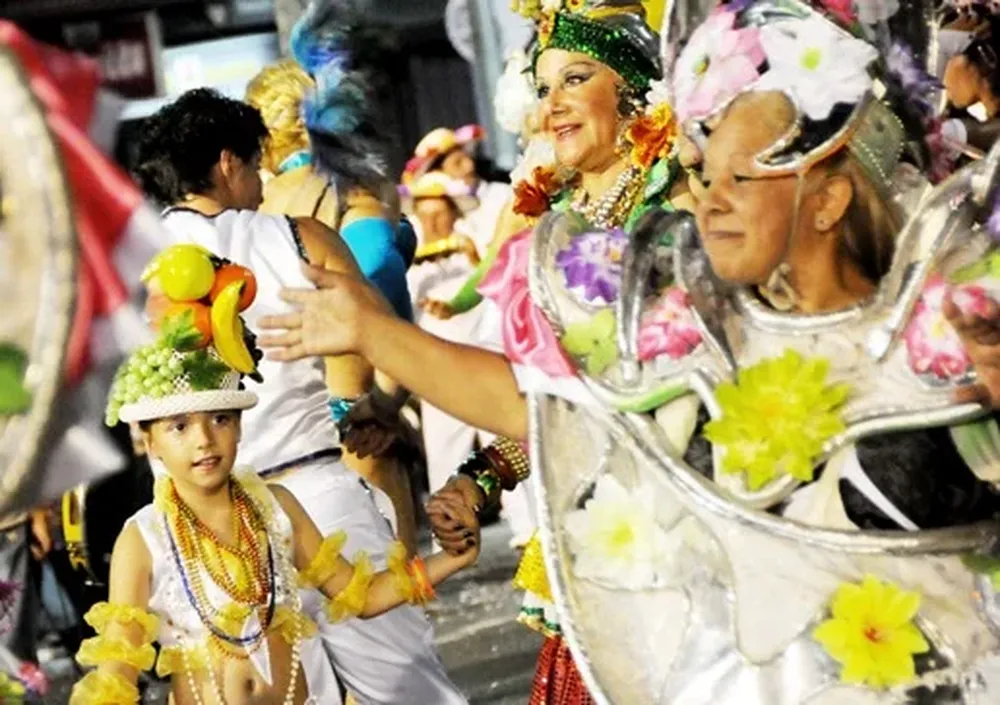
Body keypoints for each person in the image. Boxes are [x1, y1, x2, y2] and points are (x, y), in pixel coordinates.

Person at [256, 0, 679, 700]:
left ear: (634, 90)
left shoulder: (673, 215)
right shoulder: (557, 224)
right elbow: (555, 406)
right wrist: (481, 478)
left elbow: (601, 403)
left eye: (577, 79)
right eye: (543, 87)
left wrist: (370, 329)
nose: (553, 106)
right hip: (590, 544)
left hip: (677, 548)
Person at [133, 89, 469, 705]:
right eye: (256, 166)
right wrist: (377, 411)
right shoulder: (299, 238)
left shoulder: (128, 269)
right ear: (229, 163)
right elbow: (384, 341)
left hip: (205, 523)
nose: (262, 184)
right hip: (320, 498)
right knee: (404, 690)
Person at [67, 269, 478, 705]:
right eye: (179, 427)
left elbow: (359, 595)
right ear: (149, 442)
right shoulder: (145, 537)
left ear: (241, 428)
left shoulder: (275, 507)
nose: (204, 440)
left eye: (220, 419)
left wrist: (449, 560)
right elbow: (118, 671)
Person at [245, 19, 421, 556]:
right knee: (389, 599)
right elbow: (379, 286)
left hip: (280, 429)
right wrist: (387, 403)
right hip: (355, 412)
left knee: (319, 615)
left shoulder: (252, 214)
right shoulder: (357, 186)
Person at [403, 125, 512, 255]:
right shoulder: (416, 223)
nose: (469, 166)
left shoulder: (501, 194)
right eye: (457, 163)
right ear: (436, 174)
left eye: (468, 158)